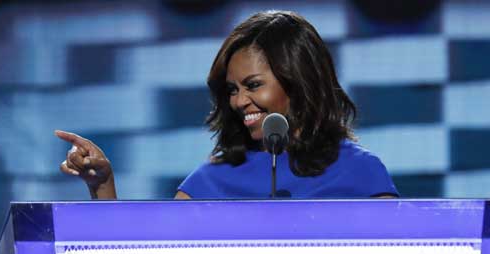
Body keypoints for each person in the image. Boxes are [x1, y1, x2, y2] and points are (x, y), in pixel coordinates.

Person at [57, 11, 398, 199]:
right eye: (232, 89)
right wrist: (102, 185)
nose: (238, 101)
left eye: (253, 86)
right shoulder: (211, 182)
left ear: (300, 83)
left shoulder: (362, 175)